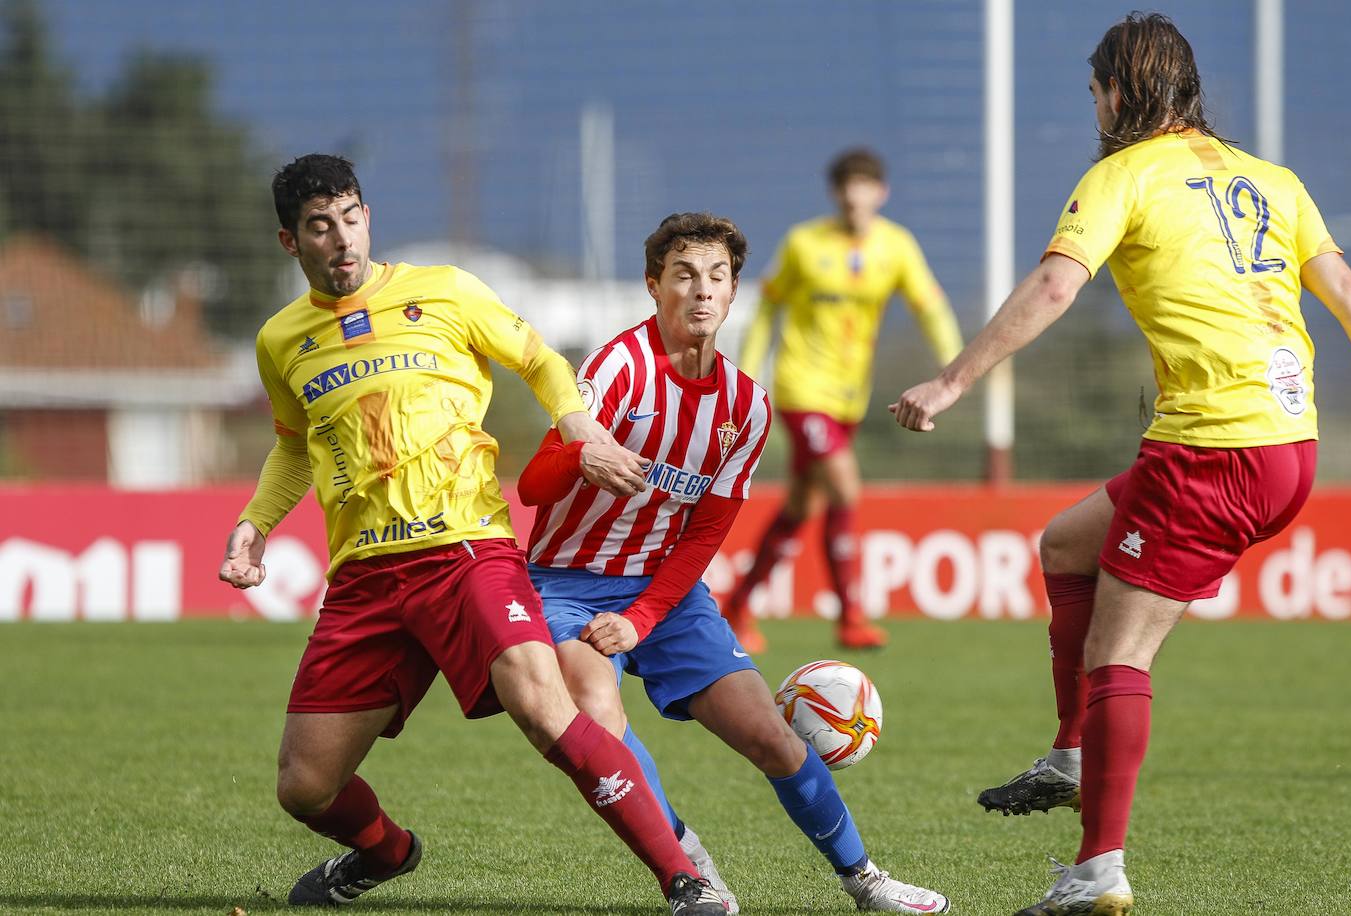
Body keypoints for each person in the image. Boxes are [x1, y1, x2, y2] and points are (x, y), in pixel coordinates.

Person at [890, 13, 1351, 915]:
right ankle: (1072, 752)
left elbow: (1054, 286)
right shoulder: (1275, 180)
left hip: (1210, 451)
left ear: (1125, 89)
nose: (1095, 106)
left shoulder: (1121, 175)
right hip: (1288, 448)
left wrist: (954, 382)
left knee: (1121, 657)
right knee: (1065, 546)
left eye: (1097, 90)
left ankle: (1097, 870)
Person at [218, 154, 727, 915]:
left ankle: (684, 882)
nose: (343, 239)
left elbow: (539, 359)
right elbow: (295, 446)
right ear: (292, 242)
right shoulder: (280, 340)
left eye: (352, 217)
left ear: (367, 215)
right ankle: (386, 851)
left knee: (542, 703)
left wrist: (578, 424)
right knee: (305, 786)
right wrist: (253, 525)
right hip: (364, 578)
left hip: (466, 552)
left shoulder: (445, 291)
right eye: (321, 227)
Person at [517, 211, 951, 914]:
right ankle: (686, 869)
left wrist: (643, 616)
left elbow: (705, 534)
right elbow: (534, 488)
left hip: (666, 592)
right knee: (598, 712)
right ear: (654, 285)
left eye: (717, 276)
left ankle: (865, 879)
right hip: (566, 583)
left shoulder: (745, 406)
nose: (702, 291)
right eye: (684, 275)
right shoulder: (617, 368)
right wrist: (581, 455)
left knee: (772, 738)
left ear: (734, 290)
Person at [722, 148, 963, 653]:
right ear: (837, 195)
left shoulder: (896, 246)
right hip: (801, 388)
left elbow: (931, 307)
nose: (857, 202)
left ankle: (736, 609)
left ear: (881, 194)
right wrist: (747, 373)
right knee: (845, 485)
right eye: (848, 193)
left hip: (851, 398)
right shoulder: (803, 244)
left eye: (866, 192)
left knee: (801, 505)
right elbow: (766, 308)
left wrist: (955, 369)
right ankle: (851, 617)